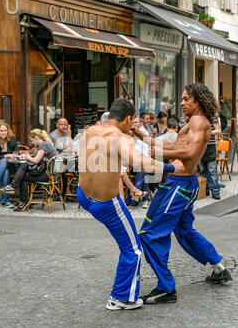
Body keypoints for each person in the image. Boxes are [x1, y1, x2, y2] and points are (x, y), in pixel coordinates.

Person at [76, 98, 183, 311]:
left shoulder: (91, 130)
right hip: (106, 204)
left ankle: (123, 294)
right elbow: (139, 162)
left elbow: (100, 160)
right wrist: (172, 168)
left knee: (130, 242)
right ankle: (122, 298)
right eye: (132, 122)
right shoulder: (120, 138)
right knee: (133, 250)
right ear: (127, 119)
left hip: (83, 195)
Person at [133, 83, 232, 305]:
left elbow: (190, 152)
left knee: (150, 233)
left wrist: (157, 151)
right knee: (185, 230)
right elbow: (173, 146)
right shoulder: (194, 122)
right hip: (185, 183)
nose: (182, 102)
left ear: (198, 100)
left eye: (186, 99)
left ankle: (166, 288)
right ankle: (218, 267)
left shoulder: (198, 121)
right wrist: (143, 137)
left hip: (179, 185)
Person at [0, 129, 57, 211]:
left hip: (48, 175)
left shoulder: (43, 144)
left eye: (32, 140)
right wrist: (35, 152)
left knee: (23, 169)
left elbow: (36, 160)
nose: (32, 142)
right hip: (51, 174)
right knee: (23, 174)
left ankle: (16, 191)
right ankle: (18, 196)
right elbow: (41, 159)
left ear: (36, 137)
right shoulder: (46, 144)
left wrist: (27, 157)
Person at [198, 115, 222, 200]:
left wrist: (206, 132)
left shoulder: (212, 116)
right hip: (200, 146)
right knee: (202, 170)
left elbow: (218, 131)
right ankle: (205, 189)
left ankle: (215, 191)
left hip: (210, 146)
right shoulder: (198, 116)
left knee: (212, 170)